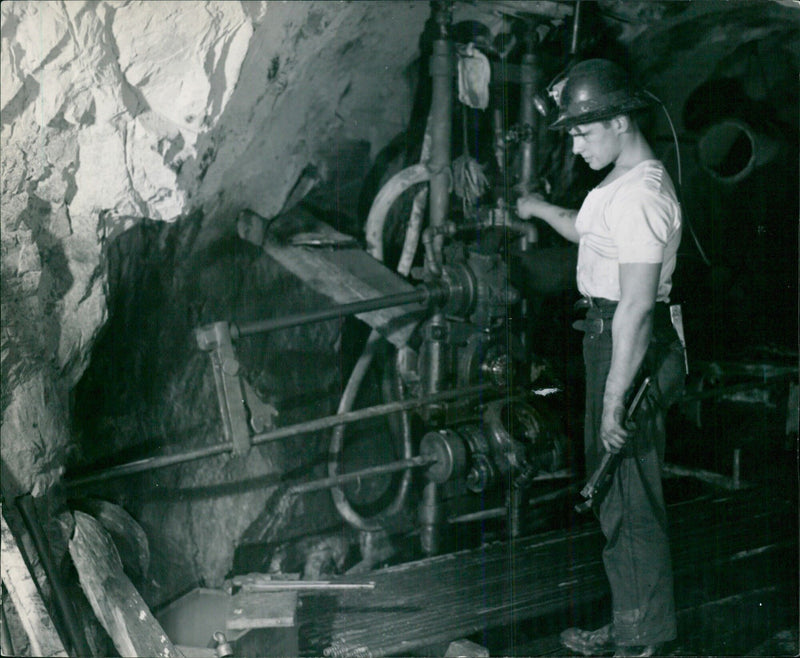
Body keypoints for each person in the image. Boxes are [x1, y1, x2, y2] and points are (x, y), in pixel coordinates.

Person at [516, 59, 686, 657]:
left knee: (627, 494)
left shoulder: (642, 194)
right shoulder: (618, 184)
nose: (574, 142)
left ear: (618, 121)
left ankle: (644, 640)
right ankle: (633, 621)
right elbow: (583, 228)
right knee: (616, 494)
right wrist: (534, 206)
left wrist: (615, 399)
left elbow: (638, 307)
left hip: (628, 343)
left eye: (582, 131)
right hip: (608, 337)